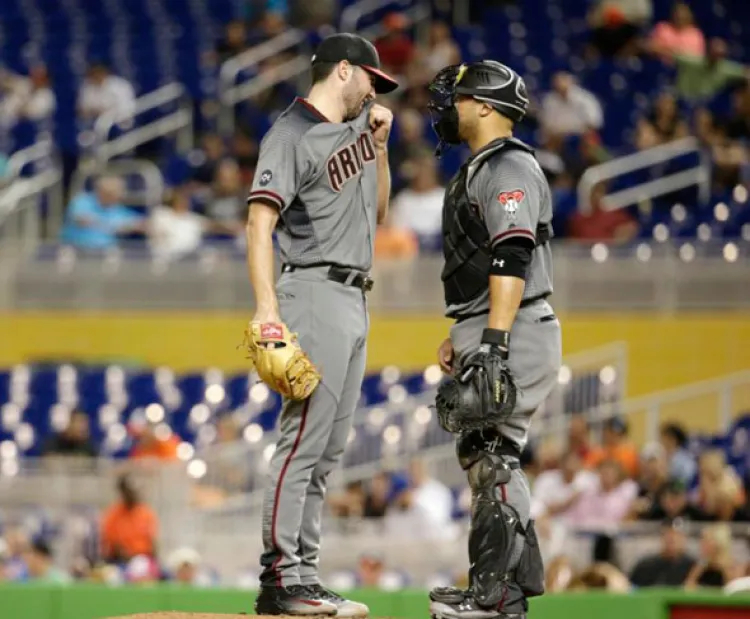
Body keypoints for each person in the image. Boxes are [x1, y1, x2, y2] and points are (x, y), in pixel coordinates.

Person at [245, 32, 397, 617]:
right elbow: (260, 224)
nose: (374, 92)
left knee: (329, 450)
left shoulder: (361, 133)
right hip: (311, 288)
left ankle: (304, 574)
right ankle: (281, 578)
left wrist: (381, 150)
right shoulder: (289, 133)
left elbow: (380, 213)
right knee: (303, 440)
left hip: (356, 296)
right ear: (343, 71)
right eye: (371, 80)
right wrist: (266, 308)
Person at [426, 60, 562, 619]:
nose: (447, 107)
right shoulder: (484, 166)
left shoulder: (508, 165)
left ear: (485, 106)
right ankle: (498, 589)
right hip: (494, 323)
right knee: (485, 457)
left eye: (457, 98)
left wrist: (494, 343)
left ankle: (498, 598)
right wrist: (464, 332)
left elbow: (512, 254)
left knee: (495, 458)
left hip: (516, 327)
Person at [60, 176, 146, 251]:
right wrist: (115, 225)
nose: (115, 196)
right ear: (100, 191)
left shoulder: (116, 209)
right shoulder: (82, 201)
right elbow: (81, 219)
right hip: (77, 249)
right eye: (110, 192)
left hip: (105, 252)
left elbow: (140, 223)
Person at [100, 475, 158, 563]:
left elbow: (152, 542)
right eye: (129, 491)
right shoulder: (113, 515)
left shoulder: (146, 513)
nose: (133, 494)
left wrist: (153, 561)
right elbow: (114, 546)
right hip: (121, 561)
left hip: (144, 558)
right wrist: (130, 560)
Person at [630, 518, 696, 588]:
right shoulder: (646, 565)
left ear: (684, 538)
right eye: (668, 534)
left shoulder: (693, 567)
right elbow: (631, 589)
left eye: (677, 535)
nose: (672, 539)